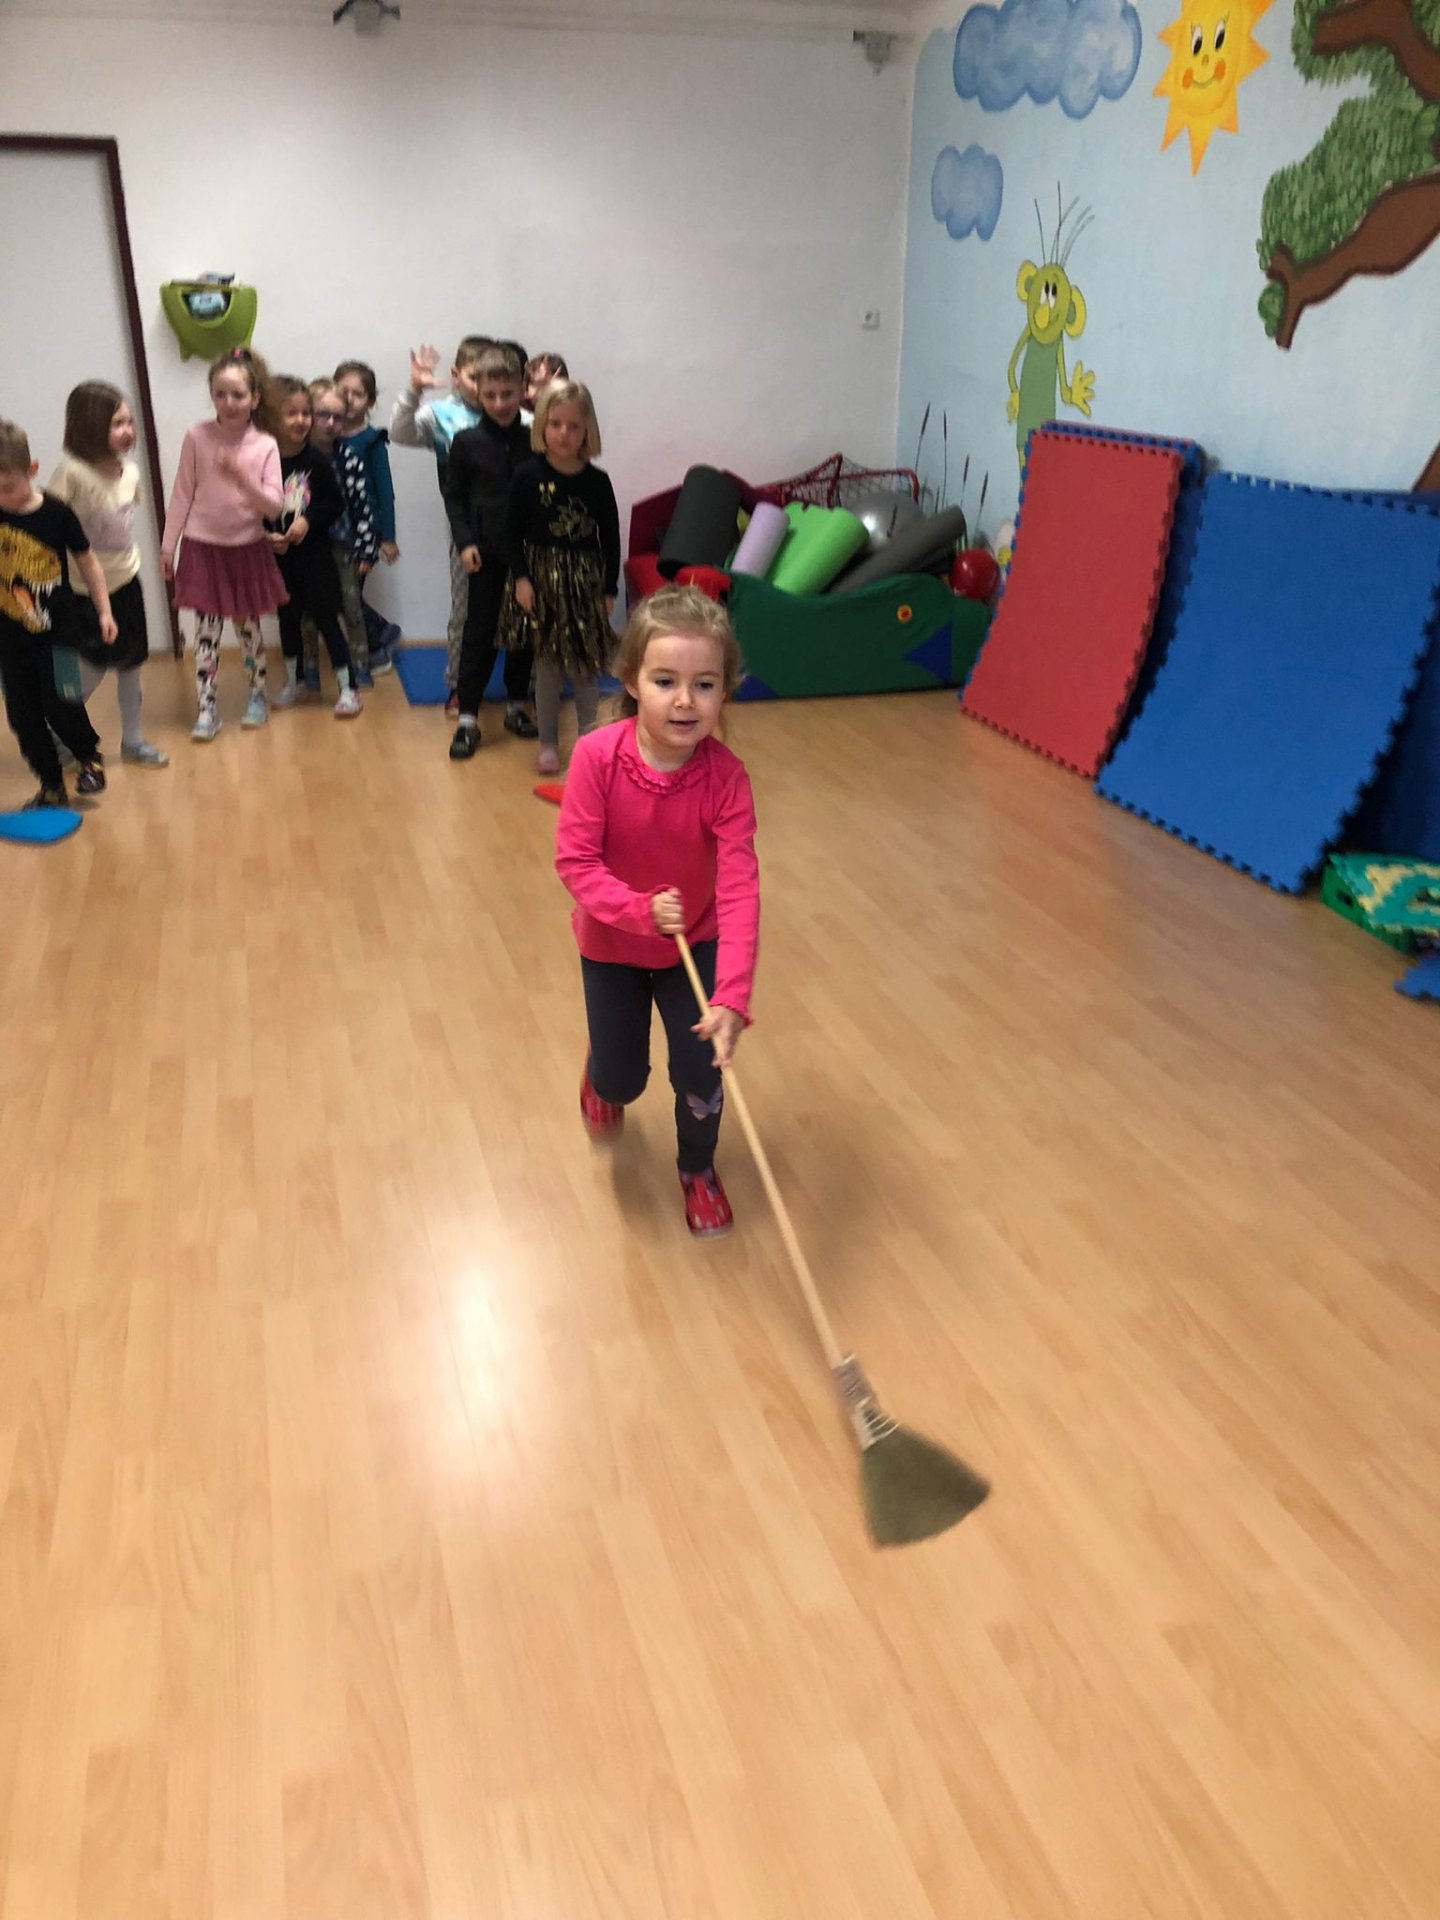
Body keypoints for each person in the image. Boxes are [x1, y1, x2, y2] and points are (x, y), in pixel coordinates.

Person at [555, 585, 758, 1238]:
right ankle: (601, 1073)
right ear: (631, 680)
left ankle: (697, 1170)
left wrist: (731, 996)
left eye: (705, 685)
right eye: (665, 681)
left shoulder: (726, 779)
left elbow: (739, 890)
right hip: (612, 943)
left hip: (693, 943)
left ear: (725, 691)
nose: (684, 700)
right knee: (622, 1078)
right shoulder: (596, 758)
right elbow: (575, 863)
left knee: (701, 1070)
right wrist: (638, 910)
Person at [161, 346, 285, 741]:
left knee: (248, 631)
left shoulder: (265, 444)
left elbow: (274, 505)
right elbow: (182, 493)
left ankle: (257, 695)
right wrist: (168, 547)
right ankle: (207, 708)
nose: (229, 402)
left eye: (238, 395)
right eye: (220, 394)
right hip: (203, 548)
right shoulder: (197, 436)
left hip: (246, 549)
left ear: (255, 398)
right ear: (211, 395)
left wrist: (242, 479)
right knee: (206, 634)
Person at [498, 379, 619, 778]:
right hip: (542, 581)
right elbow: (511, 533)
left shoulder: (597, 482)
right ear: (542, 426)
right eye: (555, 424)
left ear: (587, 430)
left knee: (585, 669)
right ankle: (548, 742)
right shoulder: (527, 475)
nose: (564, 433)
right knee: (548, 668)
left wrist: (609, 587)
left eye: (574, 426)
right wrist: (521, 579)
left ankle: (589, 743)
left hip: (583, 583)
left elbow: (611, 537)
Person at [47, 380, 168, 768]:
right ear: (89, 425)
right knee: (92, 667)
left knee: (131, 666)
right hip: (84, 592)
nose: (128, 430)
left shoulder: (130, 472)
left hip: (126, 584)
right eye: (118, 423)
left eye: (130, 421)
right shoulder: (71, 473)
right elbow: (47, 523)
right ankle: (59, 730)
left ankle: (133, 740)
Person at [0, 417, 115, 807]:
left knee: (62, 703)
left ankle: (89, 759)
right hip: (10, 640)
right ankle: (51, 785)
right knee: (23, 718)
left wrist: (104, 611)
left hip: (59, 635)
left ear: (31, 470)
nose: (2, 497)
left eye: (8, 487)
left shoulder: (56, 513)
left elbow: (88, 562)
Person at [441, 346, 537, 759]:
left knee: (524, 631)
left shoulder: (535, 440)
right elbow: (455, 497)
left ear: (522, 389)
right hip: (485, 552)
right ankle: (468, 717)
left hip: (528, 556)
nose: (499, 403)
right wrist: (465, 542)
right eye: (491, 395)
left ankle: (516, 704)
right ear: (477, 392)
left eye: (507, 394)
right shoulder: (465, 442)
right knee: (478, 633)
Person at [390, 334, 492, 713]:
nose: (481, 388)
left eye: (489, 379)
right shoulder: (442, 414)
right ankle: (458, 684)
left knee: (515, 607)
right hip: (465, 531)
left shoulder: (508, 413)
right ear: (456, 374)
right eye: (474, 377)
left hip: (510, 529)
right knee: (464, 610)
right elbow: (401, 432)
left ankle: (525, 685)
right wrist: (414, 391)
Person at [263, 377, 360, 718]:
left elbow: (333, 503)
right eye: (292, 413)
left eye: (306, 413)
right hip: (281, 561)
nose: (301, 420)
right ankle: (296, 680)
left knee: (326, 619)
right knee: (287, 620)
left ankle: (348, 687)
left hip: (315, 559)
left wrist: (307, 521)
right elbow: (255, 506)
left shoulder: (316, 460)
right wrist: (267, 535)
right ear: (273, 417)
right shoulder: (264, 461)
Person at [333, 358, 402, 667]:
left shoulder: (372, 441)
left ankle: (375, 646)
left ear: (370, 401)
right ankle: (382, 631)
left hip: (364, 532)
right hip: (336, 529)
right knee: (339, 593)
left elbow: (385, 492)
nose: (349, 399)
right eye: (342, 392)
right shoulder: (328, 436)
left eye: (358, 394)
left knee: (347, 595)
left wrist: (388, 537)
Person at [307, 380, 376, 686]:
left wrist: (367, 549)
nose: (331, 423)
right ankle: (309, 668)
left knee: (352, 607)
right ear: (310, 414)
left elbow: (362, 505)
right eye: (323, 414)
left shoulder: (348, 457)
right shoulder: (298, 456)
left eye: (338, 417)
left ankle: (360, 665)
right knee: (308, 610)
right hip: (307, 546)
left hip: (343, 544)